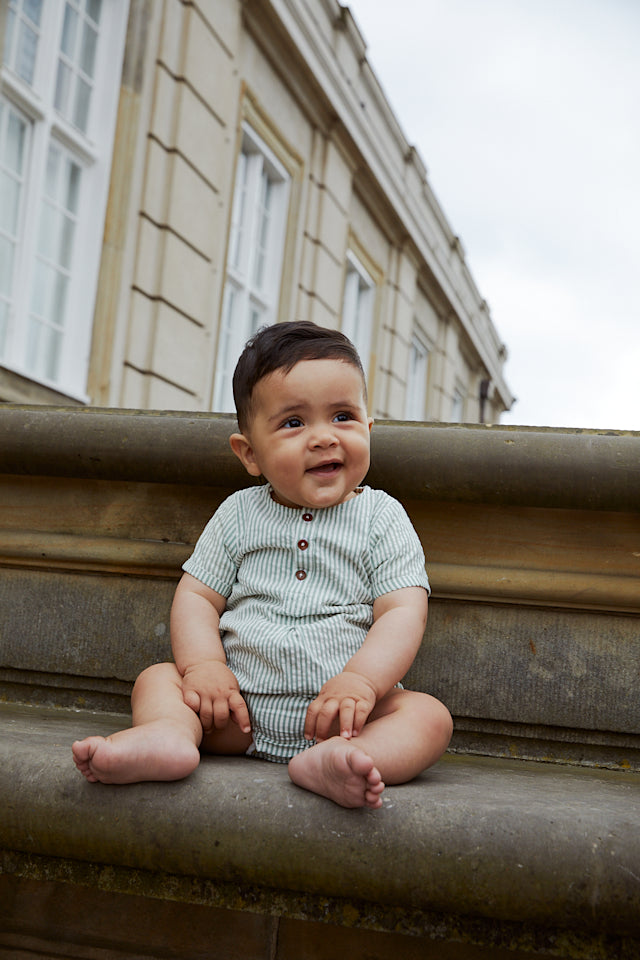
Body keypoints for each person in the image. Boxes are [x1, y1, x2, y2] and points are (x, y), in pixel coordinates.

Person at [73, 321, 452, 808]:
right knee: (159, 678)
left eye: (342, 416)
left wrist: (362, 680)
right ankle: (169, 735)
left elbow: (403, 610)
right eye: (294, 423)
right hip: (237, 712)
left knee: (427, 716)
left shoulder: (380, 516)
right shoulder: (238, 514)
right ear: (249, 453)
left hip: (347, 713)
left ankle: (340, 761)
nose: (323, 438)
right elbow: (196, 596)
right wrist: (205, 667)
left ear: (368, 429)